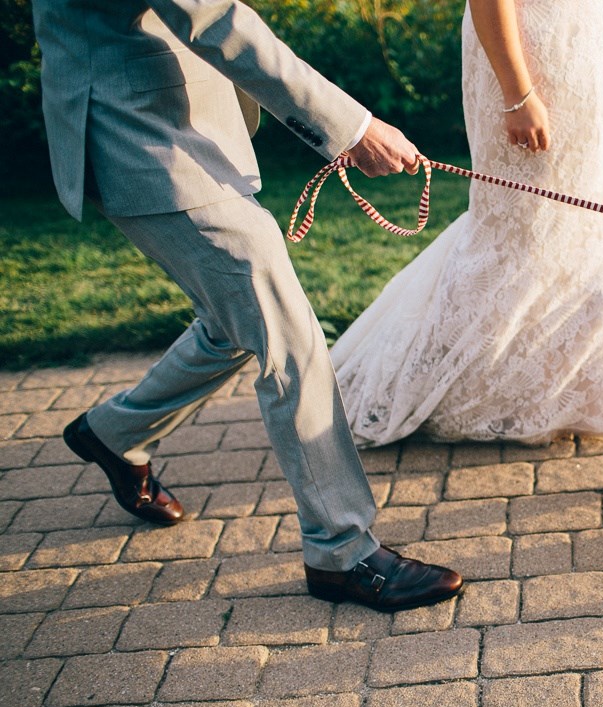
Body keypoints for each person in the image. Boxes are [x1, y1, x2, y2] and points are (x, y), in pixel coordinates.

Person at [31, 0, 462, 612]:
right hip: (141, 136)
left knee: (233, 327)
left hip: (181, 129)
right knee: (288, 339)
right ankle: (341, 552)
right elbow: (214, 15)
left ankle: (113, 432)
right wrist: (353, 128)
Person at [330, 0, 603, 445]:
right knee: (525, 233)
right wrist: (518, 94)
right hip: (532, 64)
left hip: (584, 50)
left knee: (595, 227)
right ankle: (456, 392)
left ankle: (562, 394)